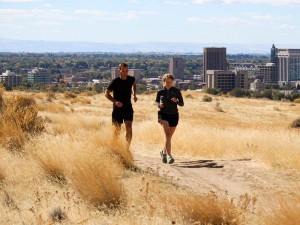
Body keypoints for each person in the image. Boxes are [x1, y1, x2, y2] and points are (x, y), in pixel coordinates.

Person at [105, 63, 137, 146]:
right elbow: (106, 94)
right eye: (123, 71)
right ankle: (114, 147)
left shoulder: (131, 79)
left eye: (127, 71)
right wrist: (115, 101)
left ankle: (127, 149)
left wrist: (134, 95)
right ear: (119, 71)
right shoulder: (115, 82)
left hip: (128, 107)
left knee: (129, 127)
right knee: (117, 131)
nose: (125, 73)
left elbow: (134, 84)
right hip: (117, 109)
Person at [155, 74, 184, 164]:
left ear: (173, 82)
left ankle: (163, 152)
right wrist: (159, 105)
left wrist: (177, 101)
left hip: (174, 115)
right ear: (163, 82)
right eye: (167, 82)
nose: (168, 84)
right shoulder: (160, 92)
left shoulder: (176, 91)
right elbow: (156, 101)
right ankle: (169, 156)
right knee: (168, 135)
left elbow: (182, 103)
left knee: (169, 137)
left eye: (170, 82)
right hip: (163, 115)